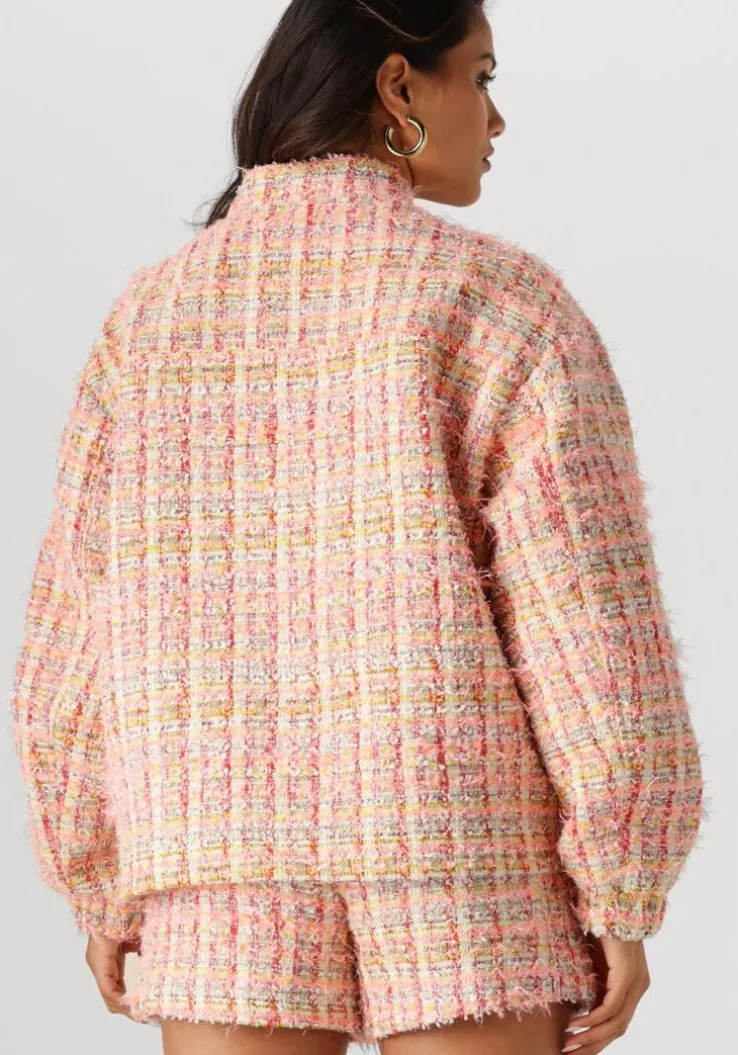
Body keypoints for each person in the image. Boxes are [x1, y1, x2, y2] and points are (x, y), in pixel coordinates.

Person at [9, 2, 706, 1054]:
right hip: (464, 855)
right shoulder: (499, 303)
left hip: (214, 855)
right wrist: (622, 878)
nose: (496, 118)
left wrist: (97, 872)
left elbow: (73, 634)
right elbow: (588, 625)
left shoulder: (149, 321)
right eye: (481, 76)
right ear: (397, 86)